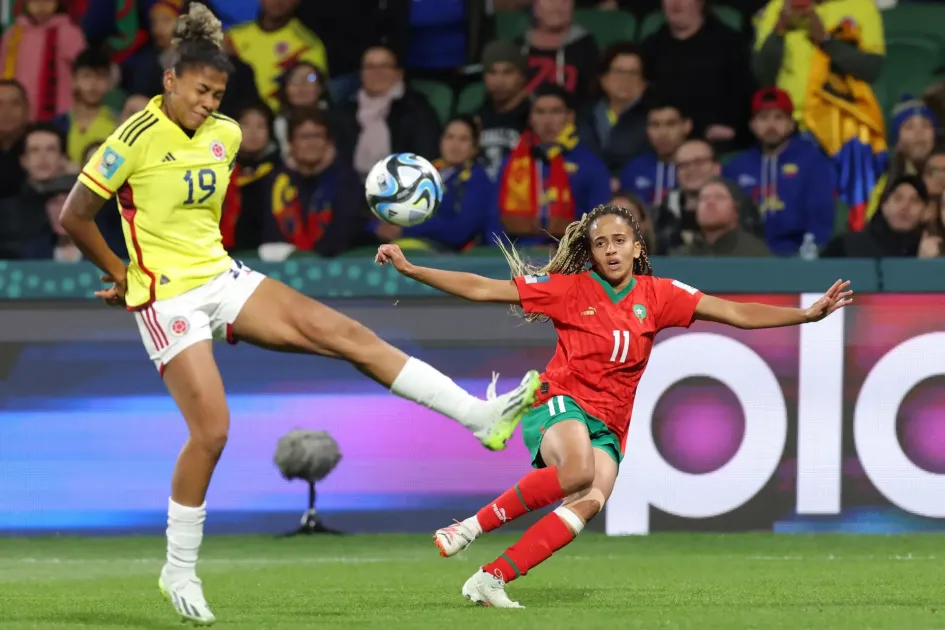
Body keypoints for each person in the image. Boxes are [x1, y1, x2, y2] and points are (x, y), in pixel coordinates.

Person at [57, 4, 540, 625]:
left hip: (221, 278)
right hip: (166, 297)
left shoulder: (227, 135)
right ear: (170, 80)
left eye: (218, 94)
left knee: (347, 335)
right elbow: (75, 216)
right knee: (212, 431)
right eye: (200, 91)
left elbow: (194, 220)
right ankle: (178, 568)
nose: (208, 103)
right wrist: (125, 275)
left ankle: (478, 417)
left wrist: (213, 292)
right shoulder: (132, 138)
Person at [375, 203, 852, 608]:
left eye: (619, 241)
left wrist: (805, 315)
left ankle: (491, 578)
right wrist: (414, 270)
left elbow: (733, 312)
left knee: (588, 502)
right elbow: (484, 288)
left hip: (610, 423)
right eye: (601, 243)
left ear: (637, 248)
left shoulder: (660, 295)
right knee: (578, 471)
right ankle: (467, 529)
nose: (610, 250)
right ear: (592, 252)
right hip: (558, 401)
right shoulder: (569, 289)